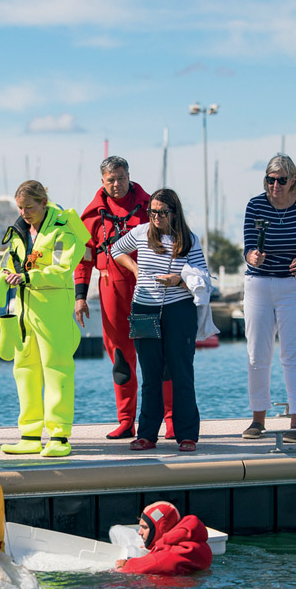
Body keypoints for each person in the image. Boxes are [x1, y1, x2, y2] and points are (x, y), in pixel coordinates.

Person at [75, 156, 173, 440]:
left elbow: (173, 242)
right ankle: (126, 420)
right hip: (111, 289)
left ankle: (170, 420)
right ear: (102, 182)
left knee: (160, 355)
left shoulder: (151, 207)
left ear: (129, 176)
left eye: (120, 178)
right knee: (121, 357)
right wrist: (81, 297)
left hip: (149, 287)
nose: (116, 184)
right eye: (110, 180)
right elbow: (84, 259)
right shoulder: (92, 216)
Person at [0, 181, 88, 457]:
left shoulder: (63, 230)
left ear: (44, 203)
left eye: (29, 207)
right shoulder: (19, 231)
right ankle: (30, 435)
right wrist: (1, 281)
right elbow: (8, 264)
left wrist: (28, 277)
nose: (23, 213)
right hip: (24, 314)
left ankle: (59, 437)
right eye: (20, 207)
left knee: (57, 370)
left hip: (53, 313)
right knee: (25, 372)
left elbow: (63, 269)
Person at [110, 189, 207, 452]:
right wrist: (136, 269)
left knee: (181, 373)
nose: (156, 217)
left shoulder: (188, 239)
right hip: (144, 309)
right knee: (150, 375)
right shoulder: (141, 233)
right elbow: (115, 249)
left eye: (162, 212)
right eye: (152, 211)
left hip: (179, 309)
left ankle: (187, 435)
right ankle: (147, 435)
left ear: (174, 213)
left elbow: (203, 275)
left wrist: (179, 280)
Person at [241, 154, 296, 441]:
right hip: (259, 284)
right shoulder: (255, 204)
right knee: (257, 355)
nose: (275, 185)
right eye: (270, 179)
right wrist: (251, 256)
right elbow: (248, 247)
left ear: (293, 180)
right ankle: (257, 420)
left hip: (295, 285)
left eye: (281, 180)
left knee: (293, 355)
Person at [116, 501, 212, 575]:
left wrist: (122, 566)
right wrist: (155, 547)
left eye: (145, 527)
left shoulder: (165, 557)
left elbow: (127, 571)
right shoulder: (194, 545)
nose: (139, 532)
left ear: (161, 528)